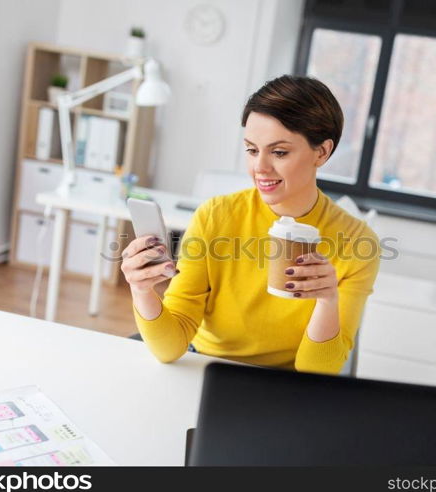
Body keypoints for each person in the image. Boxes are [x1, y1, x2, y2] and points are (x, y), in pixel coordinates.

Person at [121, 75, 380, 374]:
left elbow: (315, 373)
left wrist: (327, 300)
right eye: (252, 150)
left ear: (321, 152)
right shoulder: (215, 216)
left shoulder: (358, 242)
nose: (260, 168)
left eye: (279, 152)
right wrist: (141, 291)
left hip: (282, 385)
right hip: (206, 366)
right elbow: (169, 349)